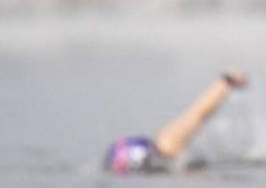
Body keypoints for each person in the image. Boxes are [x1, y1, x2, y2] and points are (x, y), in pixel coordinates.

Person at [103, 71, 248, 173]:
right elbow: (198, 113)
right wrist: (226, 84)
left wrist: (225, 84)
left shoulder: (168, 144)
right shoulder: (167, 145)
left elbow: (198, 113)